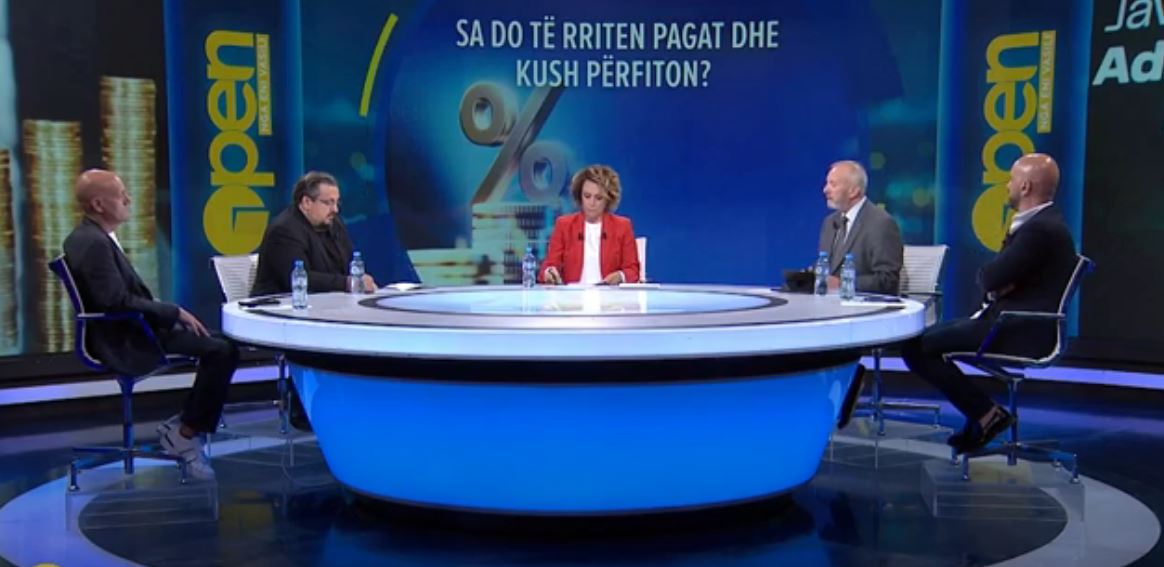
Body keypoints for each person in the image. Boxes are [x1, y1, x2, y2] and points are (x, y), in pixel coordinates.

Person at [62, 169, 238, 480]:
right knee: (221, 351)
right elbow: (115, 301)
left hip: (134, 327)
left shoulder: (90, 237)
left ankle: (185, 425)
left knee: (225, 344)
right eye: (121, 196)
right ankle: (184, 433)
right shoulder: (93, 243)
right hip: (126, 336)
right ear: (99, 204)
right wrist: (173, 312)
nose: (128, 200)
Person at [902, 153, 1077, 453]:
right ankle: (983, 414)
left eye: (1011, 179)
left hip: (1018, 329)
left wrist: (995, 280)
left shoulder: (1039, 230)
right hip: (1010, 321)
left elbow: (990, 278)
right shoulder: (1046, 223)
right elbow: (1001, 279)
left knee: (915, 347)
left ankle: (986, 414)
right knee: (921, 340)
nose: (1007, 185)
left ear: (1025, 186)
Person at [251, 171, 378, 296]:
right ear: (307, 202)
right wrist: (347, 283)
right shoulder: (284, 230)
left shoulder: (333, 223)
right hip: (279, 304)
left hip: (327, 301)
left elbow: (348, 264)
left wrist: (361, 281)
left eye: (336, 202)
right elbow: (299, 278)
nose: (335, 209)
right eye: (328, 203)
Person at [541, 164, 640, 285]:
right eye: (587, 196)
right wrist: (549, 272)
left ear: (608, 199)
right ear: (580, 196)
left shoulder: (622, 226)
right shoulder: (564, 225)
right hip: (572, 295)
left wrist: (620, 276)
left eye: (599, 198)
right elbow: (549, 265)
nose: (592, 203)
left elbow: (633, 271)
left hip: (610, 295)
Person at [818, 160, 903, 295]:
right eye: (827, 183)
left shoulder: (881, 224)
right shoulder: (829, 223)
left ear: (853, 191)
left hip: (864, 305)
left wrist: (842, 283)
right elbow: (826, 270)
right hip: (829, 303)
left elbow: (888, 280)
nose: (825, 190)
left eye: (833, 184)